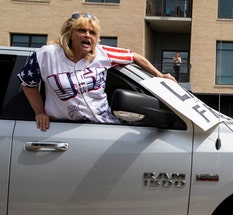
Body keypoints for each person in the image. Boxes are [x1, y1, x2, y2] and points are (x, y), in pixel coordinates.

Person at [17, 12, 175, 132]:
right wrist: (40, 112)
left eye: (92, 33)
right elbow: (27, 83)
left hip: (103, 125)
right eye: (81, 30)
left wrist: (159, 75)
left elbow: (134, 57)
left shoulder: (102, 53)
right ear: (69, 33)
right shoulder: (46, 55)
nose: (87, 35)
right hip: (62, 129)